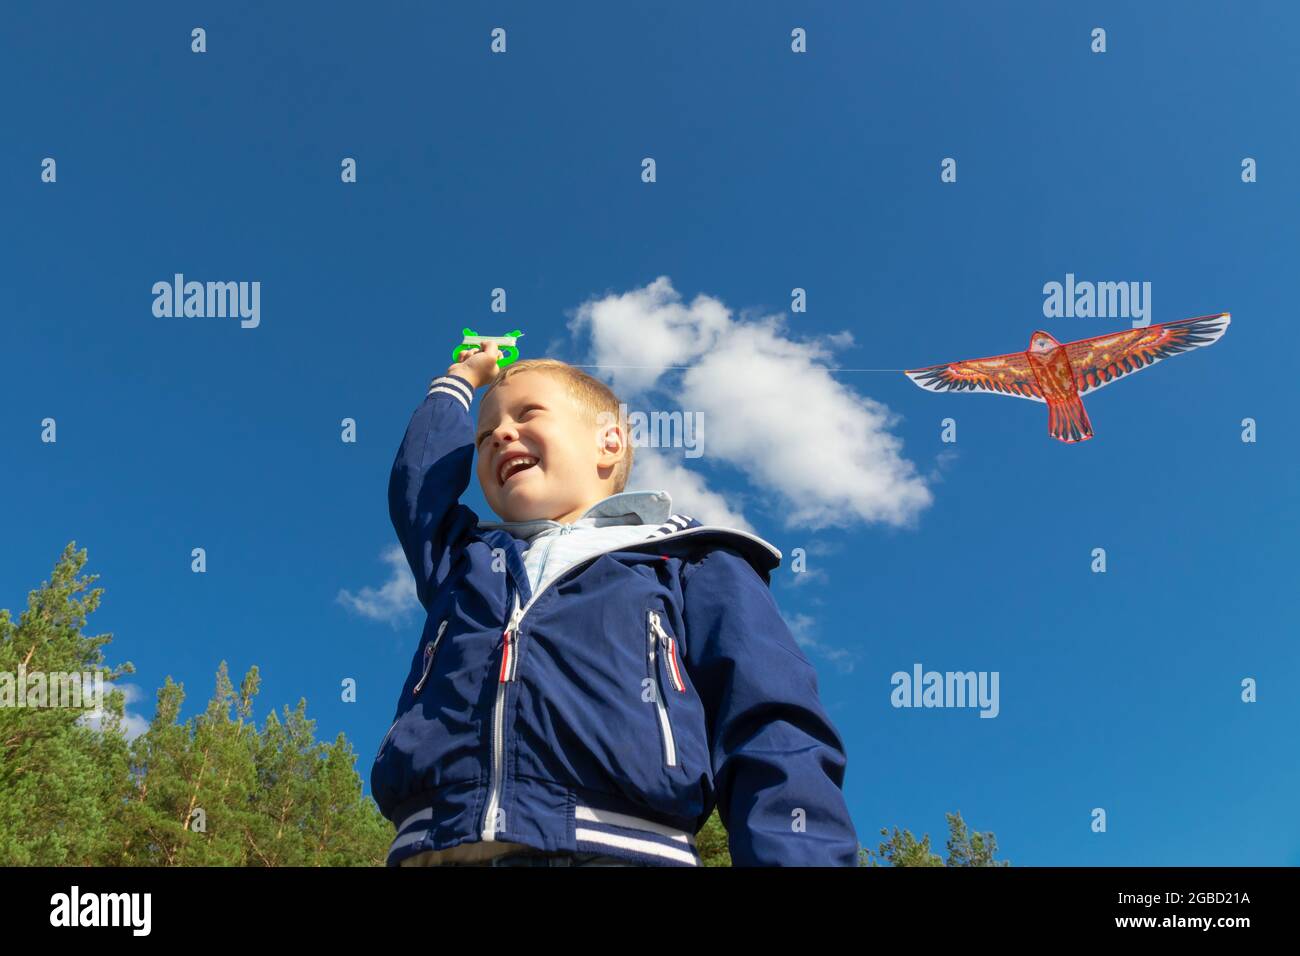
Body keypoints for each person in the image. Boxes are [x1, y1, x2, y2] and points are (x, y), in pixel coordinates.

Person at [373, 340, 859, 866]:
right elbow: (418, 492)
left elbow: (770, 724)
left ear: (609, 442)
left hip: (623, 848)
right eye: (485, 434)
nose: (501, 434)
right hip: (434, 848)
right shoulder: (463, 562)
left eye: (527, 413)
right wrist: (460, 380)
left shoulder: (689, 561)